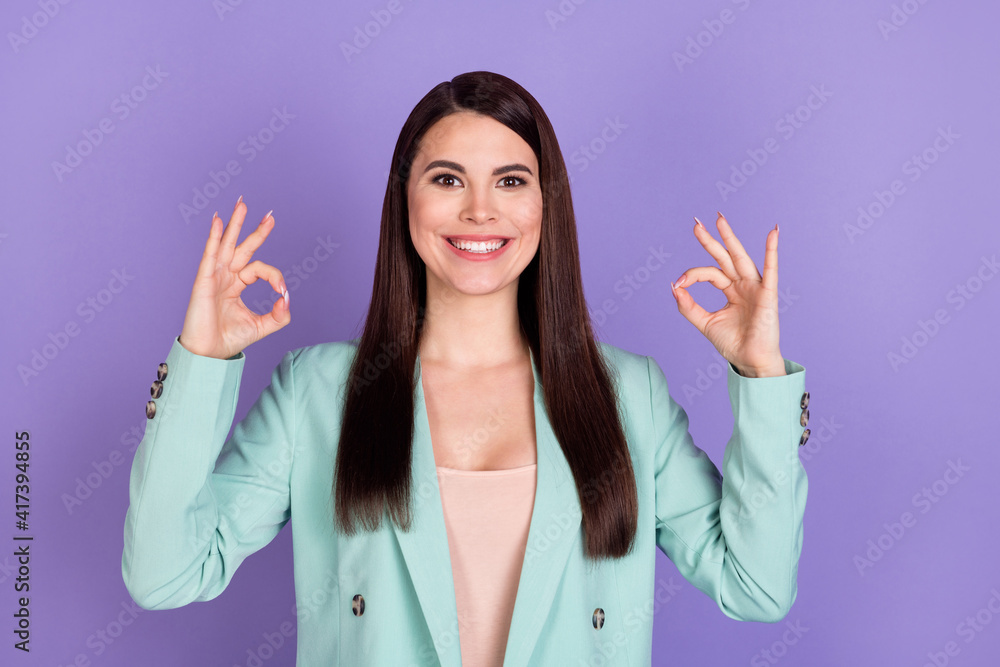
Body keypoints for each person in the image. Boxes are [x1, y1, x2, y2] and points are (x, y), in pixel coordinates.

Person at [122, 71, 810, 666]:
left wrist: (762, 379)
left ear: (545, 205)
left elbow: (755, 586)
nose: (480, 210)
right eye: (447, 179)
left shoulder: (629, 394)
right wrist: (202, 360)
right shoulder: (320, 392)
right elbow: (165, 574)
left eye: (511, 181)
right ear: (406, 200)